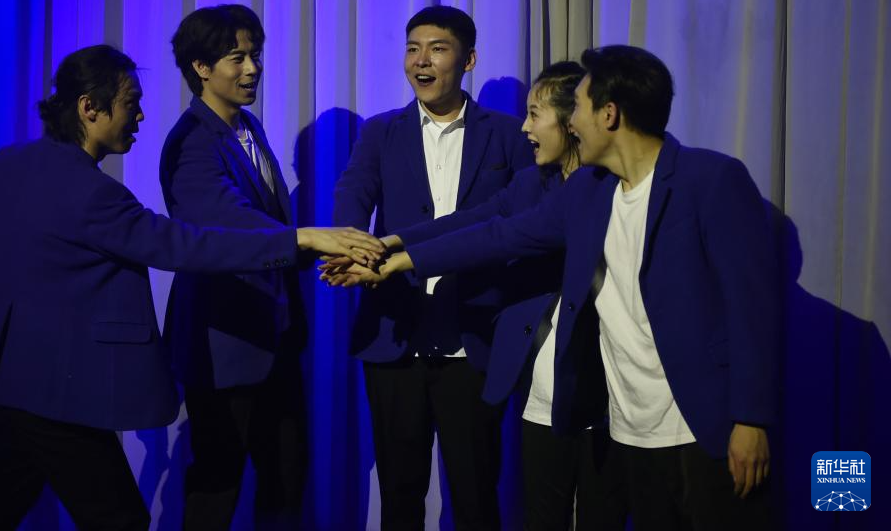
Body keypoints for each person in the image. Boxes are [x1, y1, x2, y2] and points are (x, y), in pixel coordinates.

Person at [332, 45, 779, 530]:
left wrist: (751, 418)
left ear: (609, 114)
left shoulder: (710, 180)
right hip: (631, 428)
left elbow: (751, 310)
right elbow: (496, 233)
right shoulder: (589, 190)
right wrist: (397, 260)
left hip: (702, 426)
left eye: (578, 108)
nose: (571, 122)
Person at [0, 45, 383, 530]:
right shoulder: (96, 194)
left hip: (10, 385)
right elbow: (185, 246)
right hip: (59, 396)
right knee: (119, 521)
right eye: (130, 103)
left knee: (5, 503)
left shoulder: (9, 164)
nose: (141, 116)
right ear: (89, 107)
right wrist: (301, 239)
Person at [330, 62, 627, 530]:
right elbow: (473, 221)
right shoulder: (533, 182)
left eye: (534, 115)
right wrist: (389, 244)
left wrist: (396, 263)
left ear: (574, 120)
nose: (524, 128)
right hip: (541, 383)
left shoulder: (603, 187)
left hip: (602, 378)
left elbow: (497, 238)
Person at [332, 6, 532, 530]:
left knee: (476, 494)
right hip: (395, 337)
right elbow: (354, 193)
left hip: (475, 339)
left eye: (437, 49)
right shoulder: (381, 132)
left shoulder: (509, 135)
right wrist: (350, 243)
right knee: (399, 495)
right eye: (412, 48)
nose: (421, 61)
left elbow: (521, 221)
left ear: (469, 60)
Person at [160, 4, 306, 529]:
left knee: (286, 479)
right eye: (237, 57)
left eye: (255, 55)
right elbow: (229, 223)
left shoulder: (247, 126)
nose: (252, 68)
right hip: (223, 343)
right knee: (217, 486)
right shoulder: (191, 142)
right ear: (201, 67)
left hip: (273, 336)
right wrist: (311, 242)